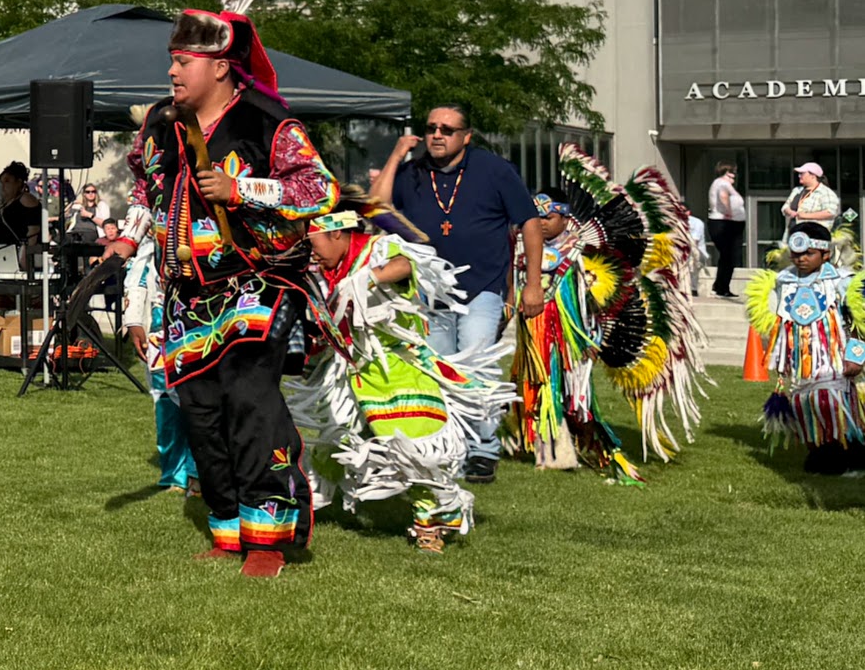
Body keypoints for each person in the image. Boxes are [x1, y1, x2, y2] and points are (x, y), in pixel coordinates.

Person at [103, 2, 343, 578]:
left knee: (248, 399)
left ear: (220, 67)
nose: (172, 73)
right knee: (201, 409)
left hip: (257, 279)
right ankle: (228, 526)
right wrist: (129, 240)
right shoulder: (161, 123)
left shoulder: (268, 123)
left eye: (183, 62)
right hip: (187, 290)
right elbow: (147, 192)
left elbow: (321, 192)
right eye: (172, 62)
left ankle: (270, 537)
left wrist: (244, 188)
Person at [296, 203, 514, 552]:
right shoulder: (325, 271)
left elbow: (405, 265)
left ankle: (431, 521)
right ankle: (305, 504)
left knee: (413, 454)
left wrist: (369, 276)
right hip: (349, 375)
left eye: (314, 242)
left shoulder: (376, 250)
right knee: (332, 442)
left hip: (398, 374)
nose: (311, 252)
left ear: (337, 232)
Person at [504, 151, 706, 480]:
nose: (540, 223)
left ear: (566, 218)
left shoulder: (582, 249)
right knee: (535, 387)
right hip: (531, 338)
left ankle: (586, 448)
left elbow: (605, 292)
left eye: (548, 217)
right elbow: (513, 285)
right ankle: (551, 450)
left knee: (573, 395)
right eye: (535, 216)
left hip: (575, 340)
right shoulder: (522, 246)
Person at [369, 104, 544, 484]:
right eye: (431, 127)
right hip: (428, 292)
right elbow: (374, 208)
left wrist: (533, 283)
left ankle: (483, 450)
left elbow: (529, 223)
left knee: (477, 364)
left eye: (447, 129)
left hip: (481, 286)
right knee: (440, 372)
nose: (437, 134)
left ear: (467, 136)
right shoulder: (412, 172)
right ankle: (453, 447)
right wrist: (397, 155)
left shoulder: (494, 170)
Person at [746, 221, 865, 474]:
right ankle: (823, 452)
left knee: (832, 404)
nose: (800, 259)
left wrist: (857, 355)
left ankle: (842, 457)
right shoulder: (783, 281)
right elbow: (776, 322)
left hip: (834, 357)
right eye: (796, 253)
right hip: (801, 361)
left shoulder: (841, 281)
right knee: (805, 404)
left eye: (808, 253)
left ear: (826, 254)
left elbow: (858, 319)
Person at [121, 227, 197, 494]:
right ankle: (175, 474)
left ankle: (199, 473)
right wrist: (132, 321)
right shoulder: (152, 242)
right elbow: (137, 278)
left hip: (200, 320)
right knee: (165, 400)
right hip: (160, 323)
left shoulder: (202, 229)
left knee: (200, 398)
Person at [707, 161, 746, 298]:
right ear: (725, 172)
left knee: (727, 257)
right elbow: (723, 196)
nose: (734, 176)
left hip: (729, 223)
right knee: (729, 255)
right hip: (724, 223)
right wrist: (729, 211)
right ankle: (721, 286)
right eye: (732, 172)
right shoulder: (722, 183)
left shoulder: (721, 183)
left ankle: (721, 286)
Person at [783, 163, 840, 232]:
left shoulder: (825, 192)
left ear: (813, 176)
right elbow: (785, 207)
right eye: (799, 174)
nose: (799, 176)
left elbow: (831, 213)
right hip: (794, 234)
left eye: (802, 174)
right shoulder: (797, 190)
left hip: (815, 236)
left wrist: (805, 216)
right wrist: (790, 212)